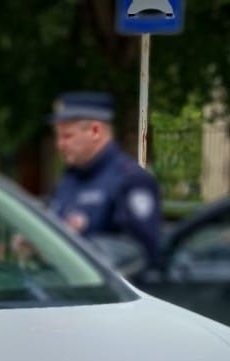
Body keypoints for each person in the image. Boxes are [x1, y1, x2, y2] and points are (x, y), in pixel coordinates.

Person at [48, 91, 162, 265]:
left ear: (95, 131)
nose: (60, 145)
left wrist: (66, 248)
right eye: (58, 136)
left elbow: (139, 251)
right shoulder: (70, 179)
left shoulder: (131, 180)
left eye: (67, 136)